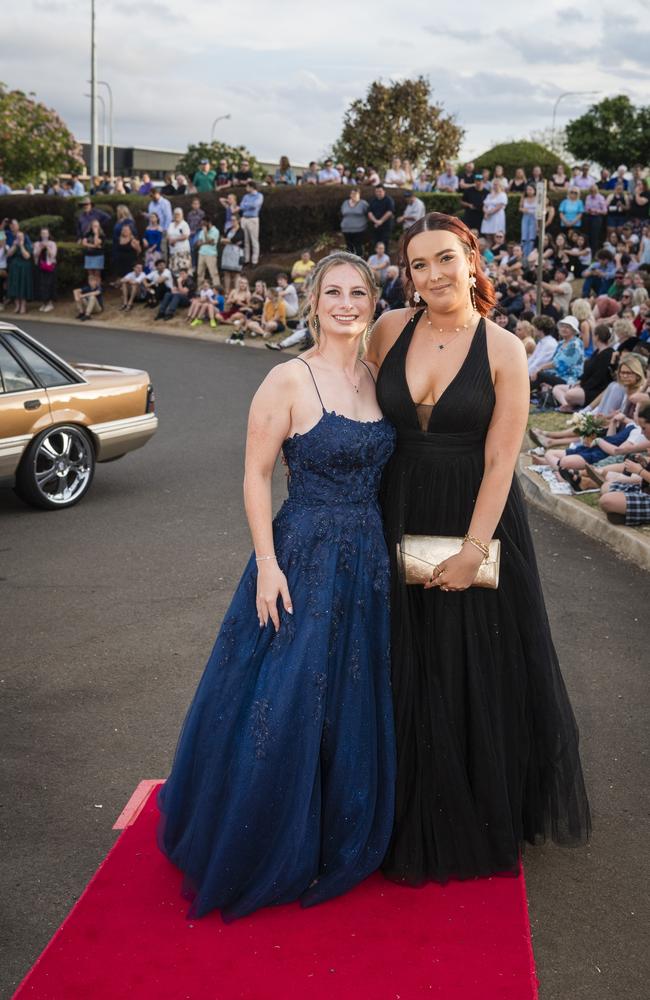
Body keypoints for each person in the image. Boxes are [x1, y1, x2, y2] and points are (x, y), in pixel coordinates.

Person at [158, 252, 397, 921]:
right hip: (303, 556)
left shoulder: (379, 379)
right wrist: (266, 563)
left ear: (372, 300)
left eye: (357, 292)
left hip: (368, 561)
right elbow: (255, 474)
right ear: (313, 301)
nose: (345, 304)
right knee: (286, 696)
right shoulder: (287, 379)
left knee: (349, 696)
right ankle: (264, 842)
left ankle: (334, 829)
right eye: (332, 293)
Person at [365, 211, 590, 886]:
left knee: (467, 660)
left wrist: (472, 549)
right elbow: (347, 400)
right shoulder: (387, 330)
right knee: (398, 656)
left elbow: (501, 461)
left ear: (472, 258)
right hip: (392, 507)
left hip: (476, 514)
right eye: (417, 265)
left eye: (443, 259)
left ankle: (467, 805)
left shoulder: (504, 349)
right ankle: (389, 805)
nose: (432, 275)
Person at [551, 324, 615, 409]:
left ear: (597, 337)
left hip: (594, 390)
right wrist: (579, 381)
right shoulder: (597, 352)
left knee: (570, 394)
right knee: (557, 388)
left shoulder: (607, 354)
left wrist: (582, 385)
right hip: (585, 385)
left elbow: (598, 378)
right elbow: (587, 373)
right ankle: (567, 405)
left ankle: (570, 403)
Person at [6, 226, 33, 314]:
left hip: (24, 268)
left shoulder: (27, 245)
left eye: (21, 237)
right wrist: (14, 245)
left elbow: (27, 256)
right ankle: (17, 305)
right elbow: (9, 254)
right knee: (15, 286)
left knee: (23, 286)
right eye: (17, 237)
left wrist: (21, 246)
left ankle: (23, 306)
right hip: (15, 268)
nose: (19, 238)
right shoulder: (14, 244)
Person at [33, 227, 57, 312]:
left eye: (46, 233)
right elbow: (35, 255)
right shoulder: (37, 243)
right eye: (42, 233)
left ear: (48, 234)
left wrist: (47, 247)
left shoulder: (52, 243)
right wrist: (40, 247)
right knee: (41, 285)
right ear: (40, 234)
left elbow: (53, 255)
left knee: (49, 284)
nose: (44, 235)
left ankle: (50, 303)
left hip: (49, 266)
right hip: (40, 266)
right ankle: (44, 303)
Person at [240, 182, 264, 266]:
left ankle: (254, 261)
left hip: (253, 219)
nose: (246, 188)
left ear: (252, 187)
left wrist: (246, 205)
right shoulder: (246, 196)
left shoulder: (259, 196)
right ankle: (246, 259)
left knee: (254, 240)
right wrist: (248, 205)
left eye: (247, 186)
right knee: (245, 240)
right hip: (244, 219)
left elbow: (255, 205)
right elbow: (241, 206)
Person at [220, 217, 245, 293]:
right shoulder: (228, 229)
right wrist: (229, 241)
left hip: (236, 253)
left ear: (238, 221)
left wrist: (228, 241)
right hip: (227, 252)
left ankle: (237, 292)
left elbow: (236, 239)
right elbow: (222, 240)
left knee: (236, 273)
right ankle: (227, 292)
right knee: (226, 272)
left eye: (234, 220)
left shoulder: (241, 231)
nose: (232, 222)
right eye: (231, 220)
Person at [340, 188, 369, 256]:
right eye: (352, 193)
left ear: (359, 195)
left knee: (358, 246)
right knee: (349, 247)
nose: (354, 195)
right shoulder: (345, 203)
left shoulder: (363, 203)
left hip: (359, 230)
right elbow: (342, 213)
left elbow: (368, 214)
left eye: (356, 194)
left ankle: (359, 262)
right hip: (346, 229)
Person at [583, 185, 608, 255]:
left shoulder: (601, 198)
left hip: (597, 218)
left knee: (595, 236)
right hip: (588, 217)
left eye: (594, 191)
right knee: (587, 235)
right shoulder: (588, 197)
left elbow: (605, 211)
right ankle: (587, 252)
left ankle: (594, 253)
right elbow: (585, 208)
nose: (593, 193)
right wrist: (588, 210)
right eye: (591, 191)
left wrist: (597, 211)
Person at [167, 208, 192, 276]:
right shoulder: (171, 224)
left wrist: (175, 240)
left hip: (182, 251)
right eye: (175, 214)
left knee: (183, 270)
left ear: (182, 215)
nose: (176, 216)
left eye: (178, 214)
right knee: (174, 271)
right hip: (173, 251)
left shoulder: (184, 224)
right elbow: (168, 235)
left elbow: (186, 236)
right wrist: (170, 240)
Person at [519, 184, 538, 258]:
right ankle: (523, 254)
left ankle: (530, 254)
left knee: (531, 236)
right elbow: (520, 208)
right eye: (527, 190)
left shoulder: (537, 198)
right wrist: (523, 209)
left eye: (530, 189)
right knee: (524, 236)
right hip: (526, 217)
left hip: (534, 218)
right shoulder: (524, 198)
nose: (529, 191)